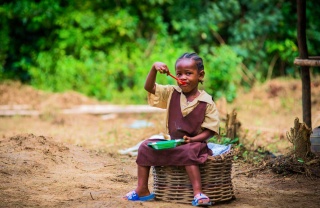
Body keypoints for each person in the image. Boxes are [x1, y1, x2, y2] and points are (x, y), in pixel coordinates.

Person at [123, 52, 220, 206]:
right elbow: (149, 87)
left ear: (200, 75)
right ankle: (142, 190)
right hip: (173, 143)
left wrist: (193, 139)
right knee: (144, 147)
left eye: (188, 73)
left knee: (188, 151)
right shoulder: (171, 93)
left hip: (195, 145)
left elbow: (210, 131)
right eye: (179, 73)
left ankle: (198, 193)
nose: (183, 78)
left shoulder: (207, 102)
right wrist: (154, 68)